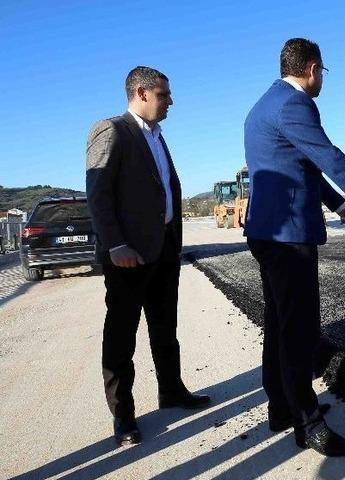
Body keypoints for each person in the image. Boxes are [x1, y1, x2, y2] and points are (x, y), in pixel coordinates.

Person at [243, 38, 345, 457]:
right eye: (322, 72)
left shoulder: (264, 105)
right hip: (288, 237)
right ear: (312, 68)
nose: (322, 79)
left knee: (279, 324)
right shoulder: (295, 105)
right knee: (300, 331)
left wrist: (342, 208)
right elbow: (328, 156)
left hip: (267, 232)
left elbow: (301, 165)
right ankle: (308, 424)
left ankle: (282, 406)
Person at [86, 66, 211, 446]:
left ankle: (171, 391)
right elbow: (99, 192)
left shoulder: (158, 136)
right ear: (141, 93)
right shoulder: (111, 130)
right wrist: (114, 244)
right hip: (127, 255)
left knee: (164, 328)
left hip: (163, 252)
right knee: (122, 336)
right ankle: (123, 416)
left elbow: (162, 190)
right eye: (164, 94)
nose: (171, 101)